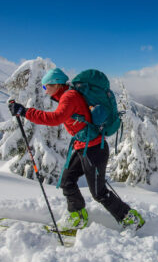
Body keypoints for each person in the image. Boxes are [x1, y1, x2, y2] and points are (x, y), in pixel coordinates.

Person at [9, 68, 145, 231]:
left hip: (94, 149)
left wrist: (24, 112)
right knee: (67, 180)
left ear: (57, 84)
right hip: (84, 147)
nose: (45, 90)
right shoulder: (67, 96)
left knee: (99, 193)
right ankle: (77, 216)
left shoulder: (69, 96)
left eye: (46, 87)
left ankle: (130, 218)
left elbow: (55, 118)